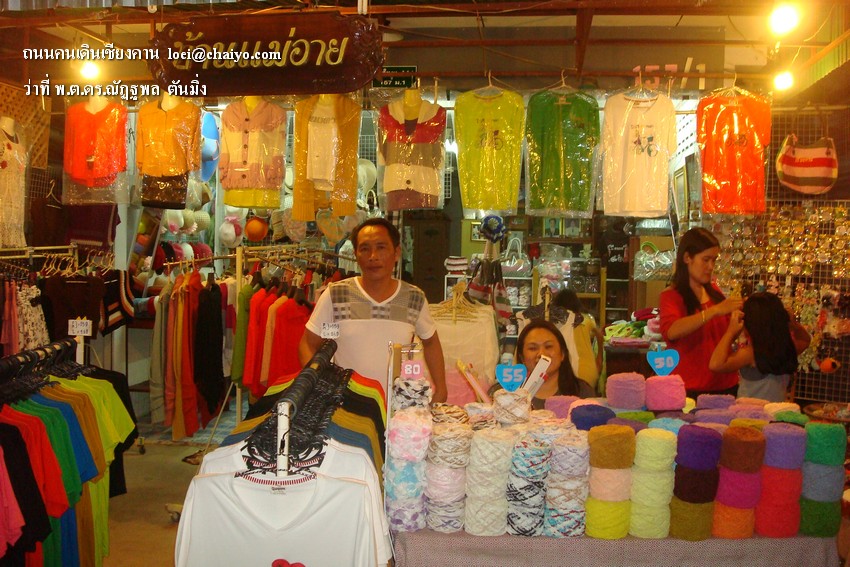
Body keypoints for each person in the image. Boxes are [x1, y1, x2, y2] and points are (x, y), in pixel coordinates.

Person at [298, 217, 448, 402]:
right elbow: (308, 343)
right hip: (345, 406)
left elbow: (431, 342)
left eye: (381, 247)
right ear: (355, 254)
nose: (373, 256)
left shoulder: (414, 298)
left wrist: (441, 388)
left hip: (398, 407)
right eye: (365, 249)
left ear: (396, 253)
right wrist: (318, 385)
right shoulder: (336, 296)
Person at [659, 227, 743, 398]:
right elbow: (672, 331)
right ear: (687, 258)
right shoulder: (671, 296)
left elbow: (725, 334)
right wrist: (714, 311)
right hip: (691, 388)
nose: (711, 266)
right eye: (705, 260)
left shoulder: (714, 291)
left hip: (726, 384)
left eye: (714, 260)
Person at [709, 292, 811, 402]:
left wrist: (730, 332)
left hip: (748, 411)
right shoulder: (785, 349)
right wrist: (793, 325)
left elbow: (715, 365)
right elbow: (805, 340)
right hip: (776, 411)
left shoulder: (750, 354)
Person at [515, 320, 595, 409]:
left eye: (548, 346)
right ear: (522, 357)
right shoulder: (508, 393)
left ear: (562, 354)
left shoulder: (582, 392)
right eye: (533, 348)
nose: (541, 354)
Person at [552, 288, 604, 391]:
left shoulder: (556, 322)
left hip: (565, 371)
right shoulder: (586, 319)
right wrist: (599, 359)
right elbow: (600, 335)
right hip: (589, 370)